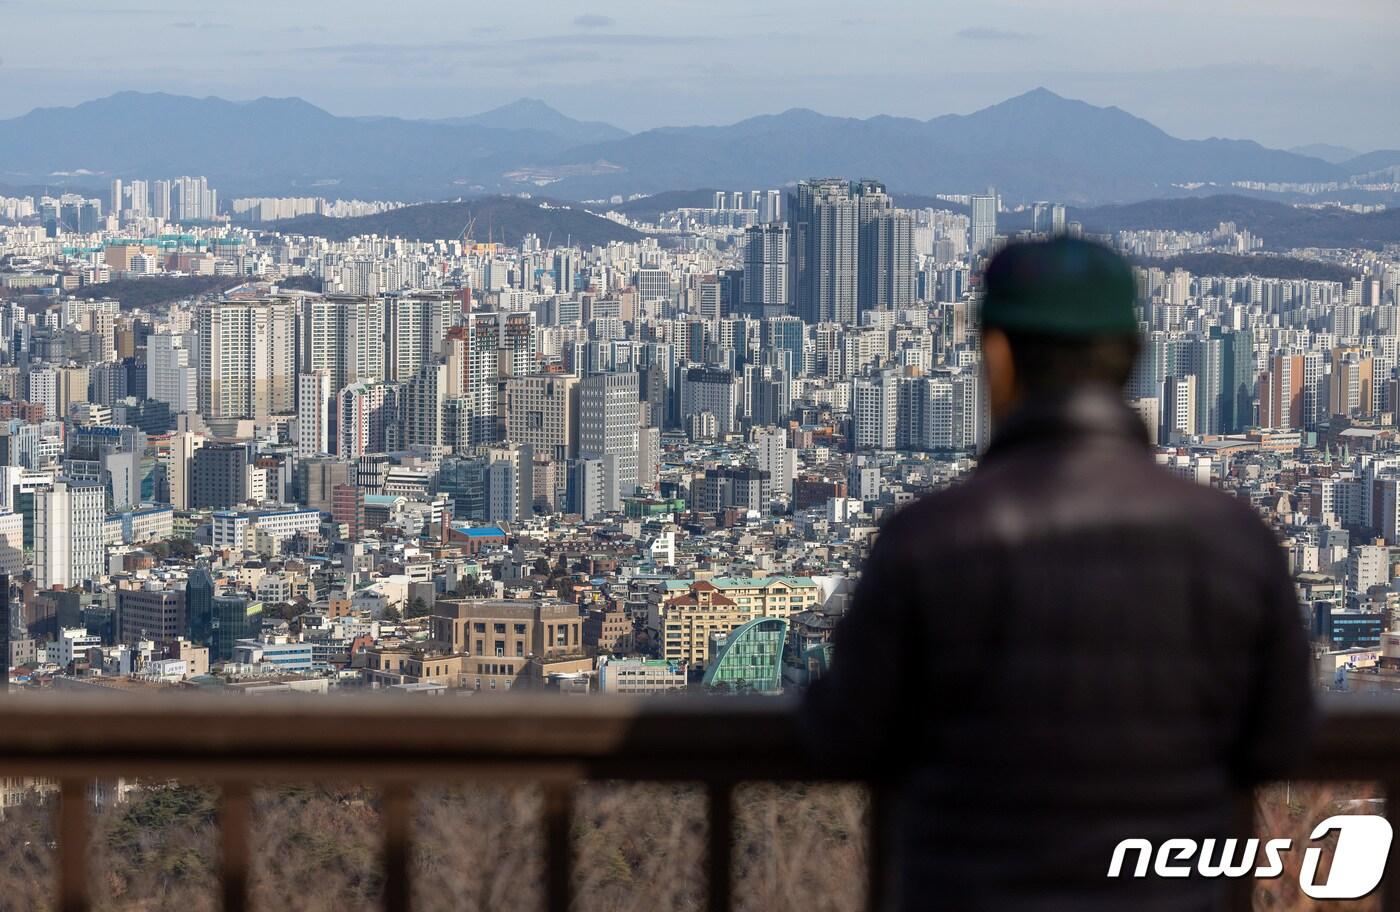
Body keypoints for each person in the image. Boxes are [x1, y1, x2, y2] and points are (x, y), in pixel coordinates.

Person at [802, 237, 1315, 911]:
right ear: (1132, 358)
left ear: (998, 355)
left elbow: (844, 736)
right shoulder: (1235, 542)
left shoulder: (927, 541)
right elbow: (1281, 743)